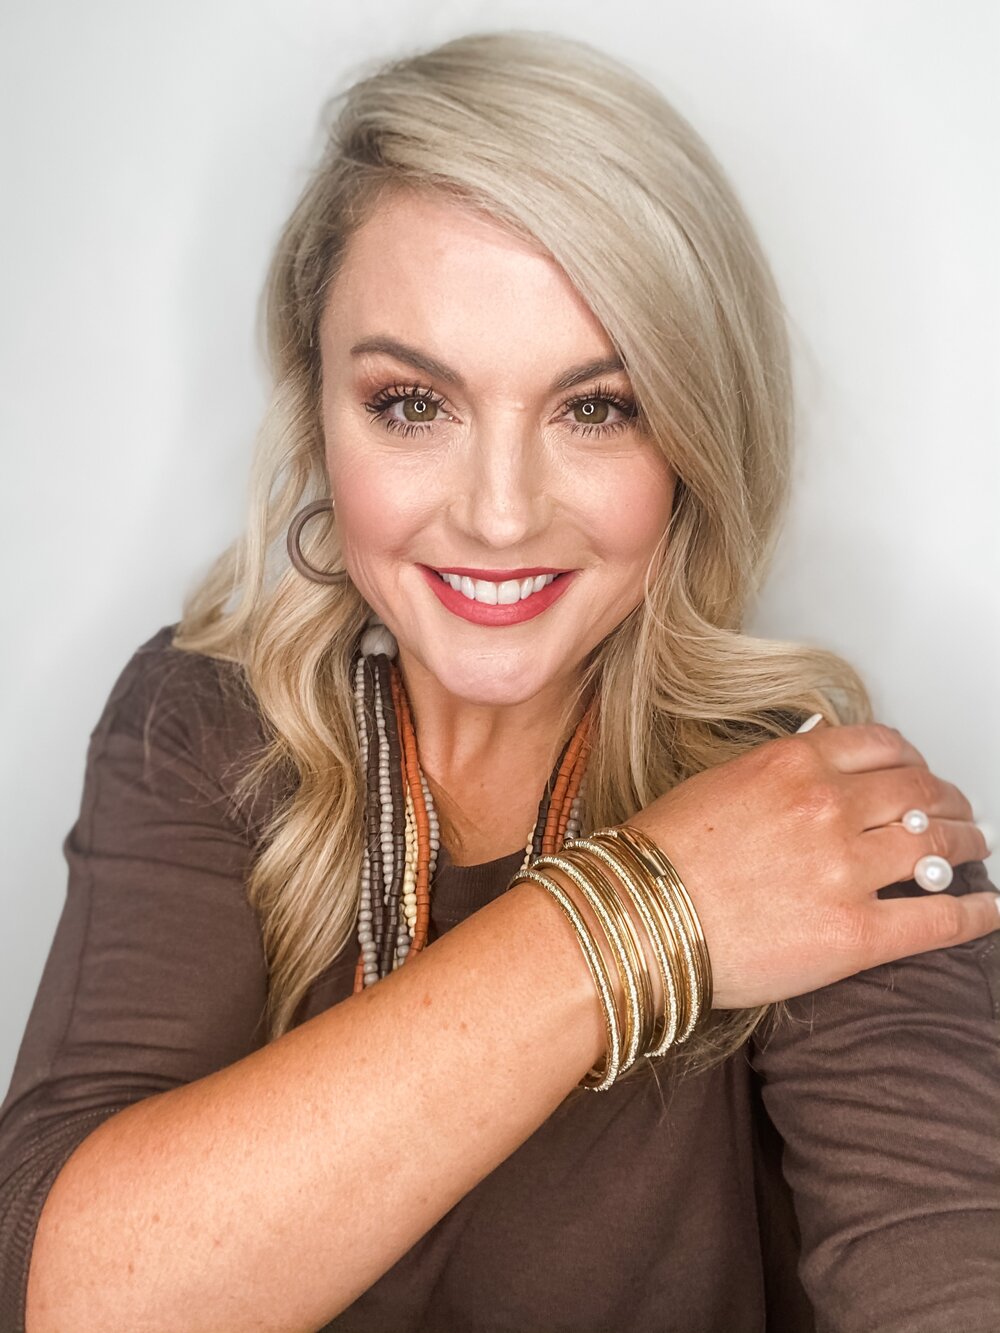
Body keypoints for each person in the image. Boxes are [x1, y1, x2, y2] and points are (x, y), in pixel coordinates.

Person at [2, 28, 997, 1333]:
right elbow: (67, 1300)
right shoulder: (207, 720)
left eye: (597, 407)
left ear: (695, 437)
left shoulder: (827, 817)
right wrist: (661, 907)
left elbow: (945, 1268)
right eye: (414, 403)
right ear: (317, 409)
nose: (500, 514)